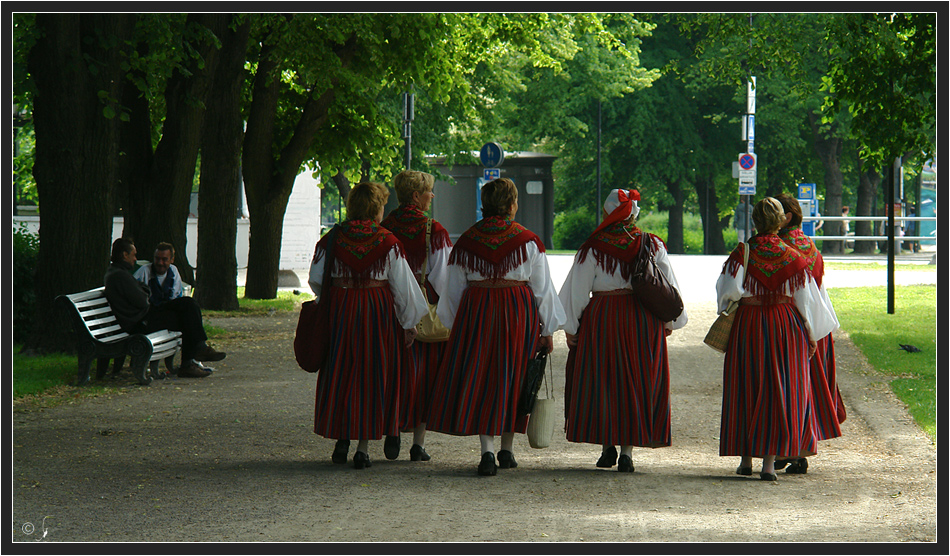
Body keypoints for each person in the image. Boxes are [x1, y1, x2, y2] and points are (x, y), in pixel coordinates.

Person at [426, 177, 566, 476]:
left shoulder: (466, 241)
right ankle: (507, 449)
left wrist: (453, 325)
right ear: (513, 205)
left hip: (477, 313)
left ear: (484, 204)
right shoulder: (528, 241)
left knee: (483, 377)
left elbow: (453, 291)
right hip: (518, 313)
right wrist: (547, 330)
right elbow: (542, 288)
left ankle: (487, 451)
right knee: (513, 376)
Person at [559, 189, 688, 473]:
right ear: (633, 213)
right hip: (642, 319)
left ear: (608, 212)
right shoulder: (651, 244)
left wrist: (571, 326)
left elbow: (577, 291)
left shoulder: (593, 247)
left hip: (603, 318)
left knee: (605, 380)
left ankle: (608, 446)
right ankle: (627, 451)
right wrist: (668, 322)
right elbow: (667, 285)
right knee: (636, 382)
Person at [307, 181, 428, 470]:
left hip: (341, 313)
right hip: (377, 315)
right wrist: (409, 323)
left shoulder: (331, 239)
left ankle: (342, 440)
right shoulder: (387, 241)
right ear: (376, 208)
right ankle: (362, 448)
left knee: (342, 372)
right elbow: (402, 288)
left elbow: (315, 280)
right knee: (373, 375)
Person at [716, 197, 838, 481]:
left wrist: (730, 307)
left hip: (748, 324)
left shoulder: (742, 253)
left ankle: (745, 460)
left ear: (755, 221)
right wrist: (810, 334)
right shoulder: (794, 256)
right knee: (778, 390)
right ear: (781, 220)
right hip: (785, 327)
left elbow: (727, 292)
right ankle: (769, 465)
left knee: (746, 385)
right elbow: (806, 301)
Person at [379, 170, 453, 462]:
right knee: (424, 377)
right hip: (423, 311)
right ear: (416, 196)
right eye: (428, 192)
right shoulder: (433, 231)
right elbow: (443, 277)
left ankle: (392, 430)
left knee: (393, 372)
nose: (431, 196)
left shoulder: (385, 227)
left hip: (388, 310)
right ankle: (418, 444)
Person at [776, 193, 846, 474]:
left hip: (794, 322)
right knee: (811, 388)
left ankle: (795, 450)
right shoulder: (809, 244)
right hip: (817, 322)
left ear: (787, 217)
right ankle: (794, 449)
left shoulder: (782, 246)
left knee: (792, 389)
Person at [104, 238, 225, 378]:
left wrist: (143, 290)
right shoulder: (120, 275)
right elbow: (143, 300)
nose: (135, 259)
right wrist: (144, 290)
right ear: (125, 255)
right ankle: (191, 359)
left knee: (189, 304)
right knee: (187, 315)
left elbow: (143, 294)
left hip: (144, 315)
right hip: (140, 321)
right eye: (133, 254)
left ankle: (197, 352)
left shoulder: (119, 273)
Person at [133, 242, 184, 306]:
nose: (160, 263)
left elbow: (176, 296)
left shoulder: (173, 272)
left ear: (172, 260)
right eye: (157, 259)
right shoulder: (144, 271)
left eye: (164, 259)